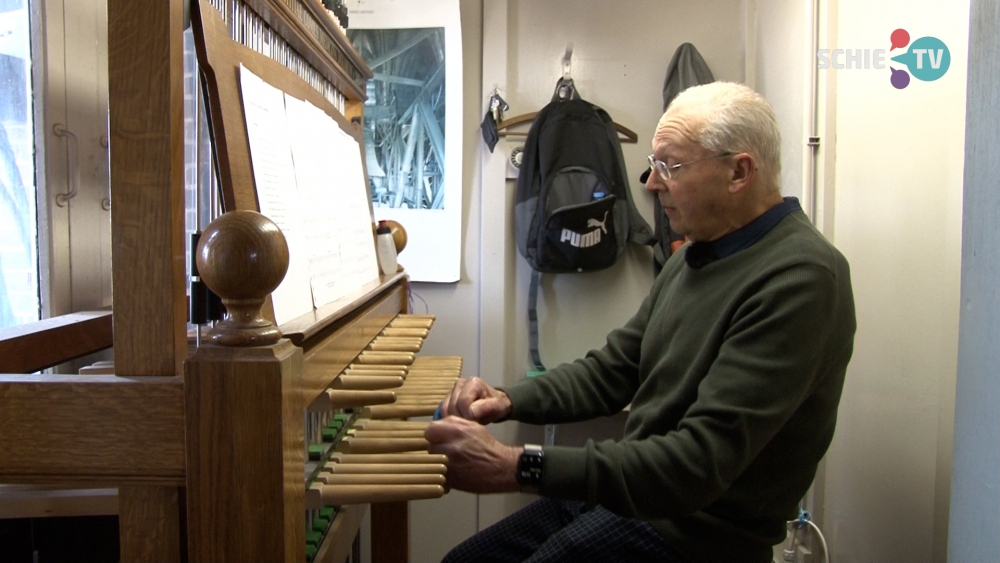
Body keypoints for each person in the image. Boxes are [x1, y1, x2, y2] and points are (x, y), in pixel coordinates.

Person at [425, 81, 856, 563]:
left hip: (695, 535)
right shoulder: (692, 256)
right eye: (654, 165)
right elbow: (613, 370)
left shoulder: (801, 279)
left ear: (739, 172)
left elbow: (697, 463)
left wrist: (516, 466)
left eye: (670, 166)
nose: (650, 183)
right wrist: (506, 399)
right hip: (636, 502)